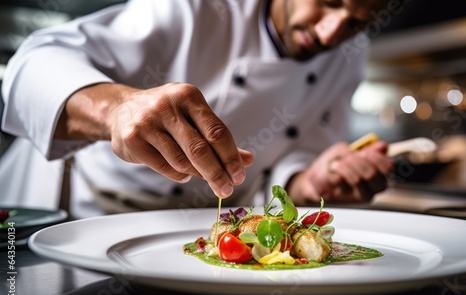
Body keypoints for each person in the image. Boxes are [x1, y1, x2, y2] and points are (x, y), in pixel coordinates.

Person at [1, 0, 394, 219]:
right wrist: (118, 108)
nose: (331, 34)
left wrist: (309, 183)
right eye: (329, 3)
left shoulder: (349, 55)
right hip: (91, 211)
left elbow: (295, 158)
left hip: (214, 226)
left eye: (358, 23)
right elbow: (35, 61)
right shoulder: (194, 7)